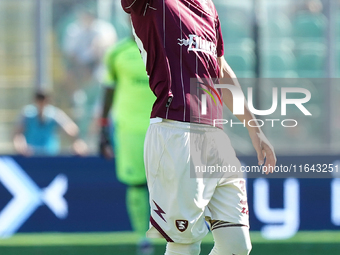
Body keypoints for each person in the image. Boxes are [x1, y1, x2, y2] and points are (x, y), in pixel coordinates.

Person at [121, 1, 277, 255]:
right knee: (184, 245)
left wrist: (254, 128)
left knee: (237, 245)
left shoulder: (208, 6)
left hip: (216, 136)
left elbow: (221, 69)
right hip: (176, 131)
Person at [99, 37, 156, 255]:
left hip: (166, 127)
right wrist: (104, 128)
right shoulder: (117, 53)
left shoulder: (169, 44)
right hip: (129, 131)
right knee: (137, 185)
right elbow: (109, 89)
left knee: (173, 183)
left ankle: (180, 233)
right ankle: (143, 240)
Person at [14, 92, 87, 156]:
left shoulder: (54, 114)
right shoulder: (27, 114)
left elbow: (71, 129)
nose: (41, 102)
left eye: (44, 99)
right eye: (39, 99)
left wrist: (77, 142)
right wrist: (20, 144)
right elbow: (17, 133)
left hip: (50, 155)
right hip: (31, 155)